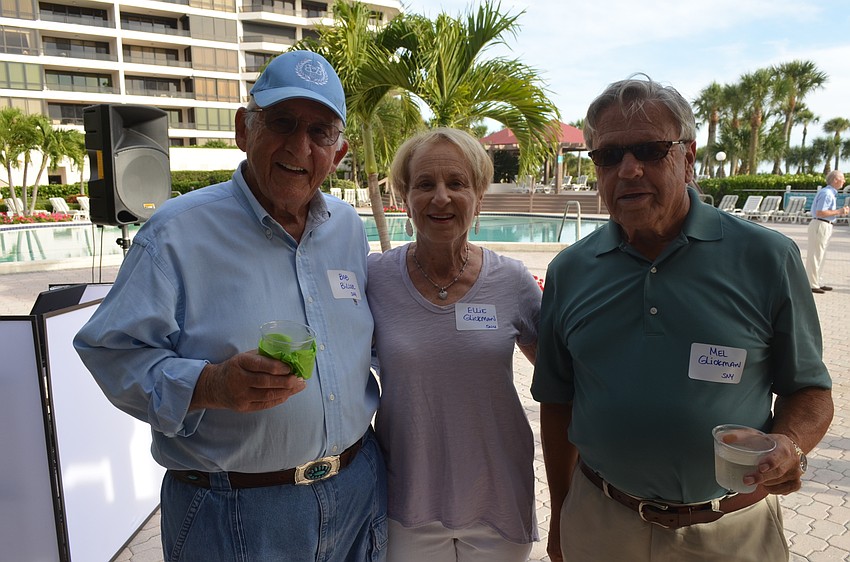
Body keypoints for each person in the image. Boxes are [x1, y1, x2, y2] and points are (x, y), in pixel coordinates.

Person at [74, 51, 388, 561]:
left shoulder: (347, 229)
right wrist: (209, 385)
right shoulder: (176, 233)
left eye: (319, 132)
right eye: (282, 122)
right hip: (234, 512)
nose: (299, 146)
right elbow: (110, 352)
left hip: (357, 492)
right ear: (245, 129)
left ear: (339, 151)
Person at [531, 76, 834, 562]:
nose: (629, 170)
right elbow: (559, 401)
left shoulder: (766, 257)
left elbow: (811, 389)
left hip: (732, 532)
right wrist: (563, 512)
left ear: (688, 157)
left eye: (650, 150)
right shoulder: (570, 270)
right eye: (610, 156)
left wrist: (791, 444)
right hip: (603, 522)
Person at [367, 128, 541, 561]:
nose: (440, 197)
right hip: (406, 497)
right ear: (404, 197)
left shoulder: (513, 281)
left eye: (456, 183)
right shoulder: (374, 278)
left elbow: (562, 379)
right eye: (425, 184)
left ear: (479, 196)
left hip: (497, 495)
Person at [806, 170, 847, 294]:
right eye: (842, 178)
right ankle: (812, 283)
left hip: (825, 224)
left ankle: (817, 281)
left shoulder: (829, 193)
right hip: (821, 224)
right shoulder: (827, 194)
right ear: (835, 180)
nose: (844, 181)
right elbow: (820, 212)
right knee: (816, 255)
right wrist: (839, 211)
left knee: (821, 254)